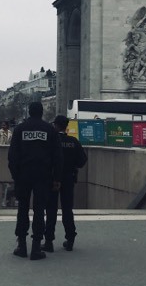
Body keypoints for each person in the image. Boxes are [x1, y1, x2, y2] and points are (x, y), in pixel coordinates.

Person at [8, 101, 63, 260]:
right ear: (42, 112)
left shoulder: (19, 129)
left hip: (23, 175)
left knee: (22, 209)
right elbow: (58, 157)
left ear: (29, 112)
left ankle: (22, 245)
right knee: (39, 211)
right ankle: (36, 247)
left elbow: (12, 156)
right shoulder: (50, 130)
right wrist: (57, 178)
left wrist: (15, 175)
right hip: (43, 175)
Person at [43, 115, 87, 252]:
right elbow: (82, 161)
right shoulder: (73, 142)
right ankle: (70, 238)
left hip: (53, 179)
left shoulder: (51, 142)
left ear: (55, 126)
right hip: (69, 178)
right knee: (67, 209)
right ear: (66, 126)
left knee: (51, 210)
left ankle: (49, 241)